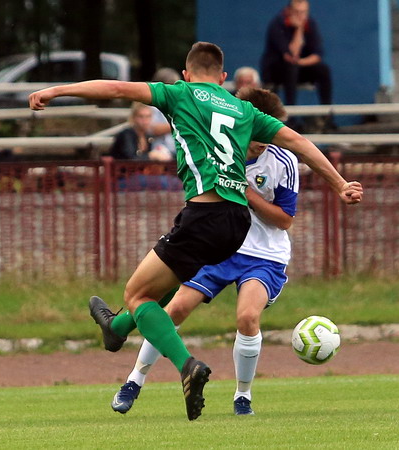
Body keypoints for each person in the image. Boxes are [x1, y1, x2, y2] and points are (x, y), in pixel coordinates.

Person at [29, 41, 362, 421]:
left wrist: (57, 90)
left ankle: (185, 365)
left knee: (138, 295)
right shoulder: (243, 109)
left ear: (186, 74)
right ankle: (116, 328)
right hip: (236, 225)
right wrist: (340, 184)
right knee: (168, 292)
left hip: (205, 216)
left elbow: (117, 88)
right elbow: (299, 142)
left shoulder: (179, 93)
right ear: (223, 77)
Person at [108, 87, 297, 417]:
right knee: (175, 308)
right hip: (219, 246)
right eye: (258, 135)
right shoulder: (218, 151)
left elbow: (285, 220)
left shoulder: (284, 161)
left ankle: (243, 397)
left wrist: (245, 192)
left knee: (247, 317)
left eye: (270, 134)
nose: (263, 142)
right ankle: (133, 382)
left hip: (264, 254)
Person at [261, 0, 332, 106]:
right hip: (275, 71)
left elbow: (317, 55)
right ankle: (291, 110)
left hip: (298, 68)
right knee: (291, 68)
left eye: (303, 12)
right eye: (297, 12)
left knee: (323, 69)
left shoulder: (311, 24)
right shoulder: (277, 24)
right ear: (288, 11)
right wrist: (299, 29)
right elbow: (291, 55)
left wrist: (299, 62)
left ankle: (327, 111)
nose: (300, 16)